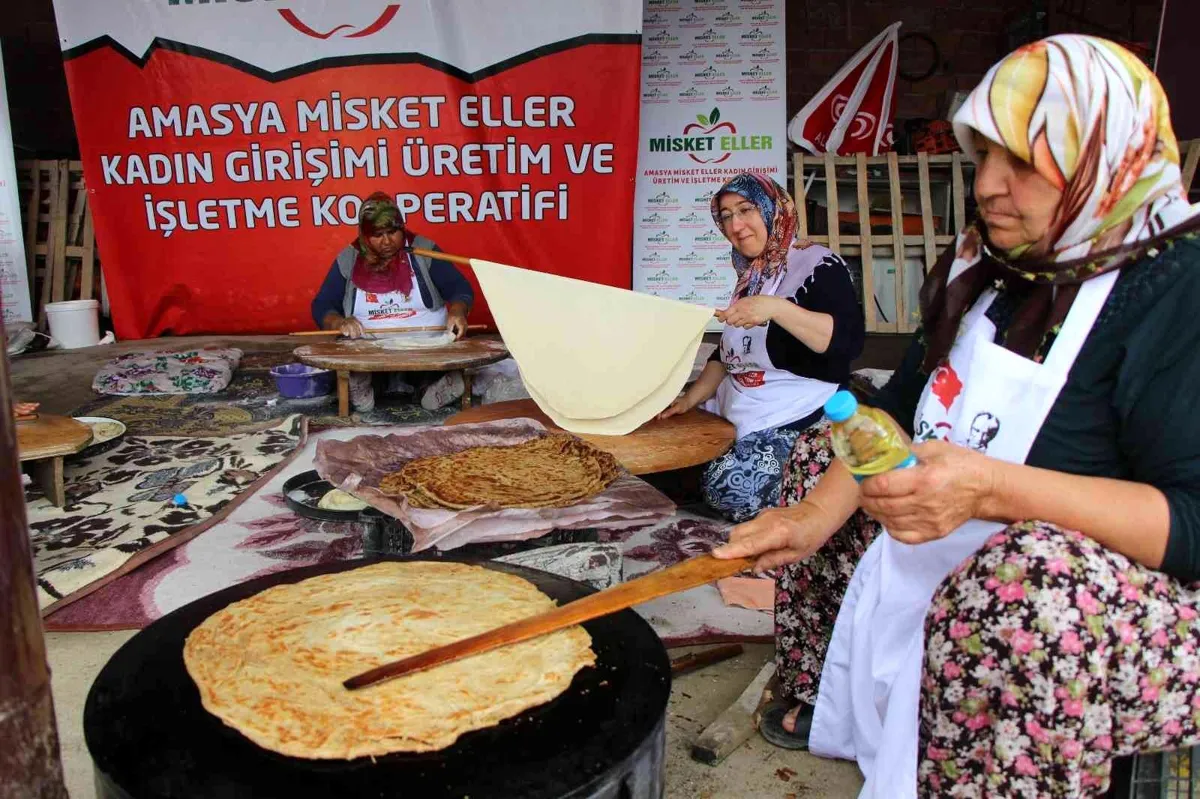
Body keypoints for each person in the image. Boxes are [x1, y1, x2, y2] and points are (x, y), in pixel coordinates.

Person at [713, 35, 1200, 797]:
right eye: (982, 159)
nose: (990, 187)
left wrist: (992, 489)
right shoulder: (991, 265)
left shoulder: (1176, 288)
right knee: (822, 456)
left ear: (1104, 158)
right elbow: (898, 411)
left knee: (1025, 579)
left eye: (1025, 163)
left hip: (1107, 597)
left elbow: (1191, 525)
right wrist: (807, 518)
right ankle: (847, 700)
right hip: (972, 521)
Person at [659, 173, 864, 522]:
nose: (736, 225)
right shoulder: (752, 273)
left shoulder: (816, 264)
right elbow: (727, 352)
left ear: (773, 210)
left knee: (729, 488)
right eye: (725, 216)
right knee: (664, 457)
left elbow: (846, 340)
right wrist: (690, 399)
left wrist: (776, 309)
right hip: (740, 404)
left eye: (745, 209)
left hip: (797, 411)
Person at [310, 192, 475, 412]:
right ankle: (364, 386)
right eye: (377, 235)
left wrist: (457, 311)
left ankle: (432, 388)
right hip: (370, 350)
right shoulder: (349, 258)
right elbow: (322, 304)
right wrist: (338, 323)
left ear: (402, 227)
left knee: (429, 372)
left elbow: (459, 289)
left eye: (393, 232)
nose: (387, 241)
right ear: (365, 235)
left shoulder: (423, 249)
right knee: (365, 377)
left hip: (427, 348)